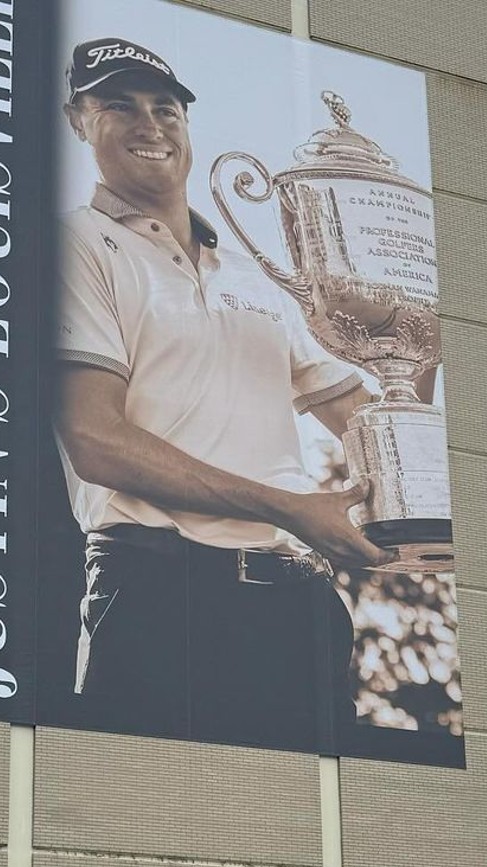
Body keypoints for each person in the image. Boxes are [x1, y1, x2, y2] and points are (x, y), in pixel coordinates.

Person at [55, 37, 387, 754]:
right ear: (77, 119)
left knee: (306, 828)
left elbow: (363, 421)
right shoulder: (72, 245)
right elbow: (94, 439)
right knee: (140, 817)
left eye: (165, 108)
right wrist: (288, 507)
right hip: (154, 588)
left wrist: (405, 336)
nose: (150, 124)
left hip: (293, 602)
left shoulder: (251, 271)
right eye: (119, 105)